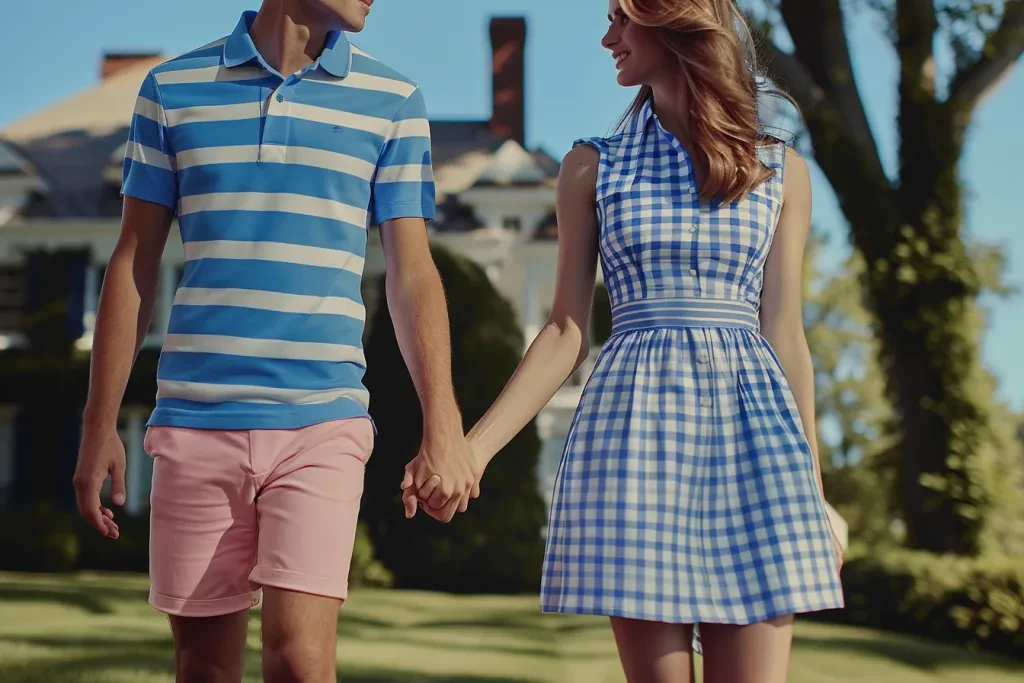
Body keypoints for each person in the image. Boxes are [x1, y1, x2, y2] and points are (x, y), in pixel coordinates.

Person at [425, 1, 846, 681]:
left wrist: (815, 493)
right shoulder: (592, 168)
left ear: (673, 19)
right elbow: (565, 331)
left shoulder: (779, 172)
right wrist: (474, 449)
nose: (607, 36)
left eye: (623, 17)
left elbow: (785, 335)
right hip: (637, 449)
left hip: (758, 450)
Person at [72, 1, 477, 681]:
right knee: (203, 666)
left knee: (301, 661)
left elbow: (413, 275)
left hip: (323, 420)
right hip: (197, 422)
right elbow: (134, 262)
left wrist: (444, 416)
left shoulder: (394, 101)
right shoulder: (171, 90)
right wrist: (98, 423)